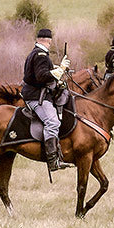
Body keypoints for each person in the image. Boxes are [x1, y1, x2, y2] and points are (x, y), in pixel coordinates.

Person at [21, 28, 75, 172]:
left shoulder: (38, 54)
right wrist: (61, 69)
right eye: (50, 41)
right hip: (36, 97)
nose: (50, 44)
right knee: (52, 122)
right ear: (48, 40)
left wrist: (58, 70)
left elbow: (44, 73)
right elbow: (42, 76)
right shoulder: (40, 55)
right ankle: (53, 161)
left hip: (37, 94)